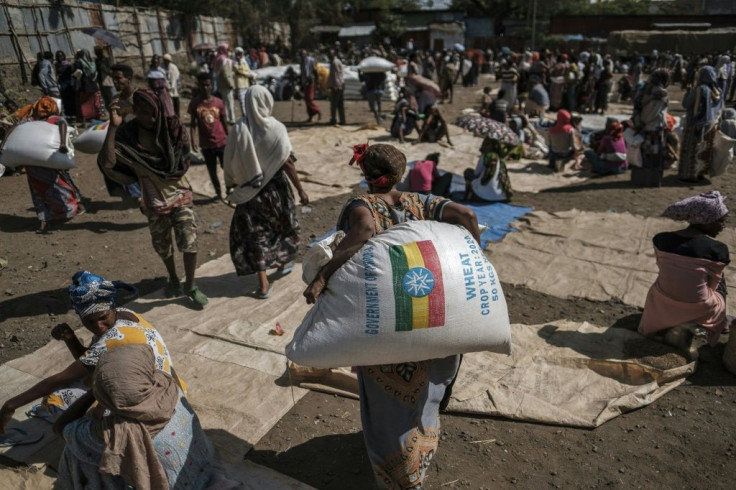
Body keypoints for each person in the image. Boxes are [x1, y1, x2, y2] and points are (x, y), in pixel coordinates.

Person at [303, 143, 480, 489]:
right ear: (400, 174)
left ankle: (399, 477)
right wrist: (477, 262)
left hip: (389, 321)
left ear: (365, 174)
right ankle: (422, 454)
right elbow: (468, 217)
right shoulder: (423, 202)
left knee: (389, 405)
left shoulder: (361, 205)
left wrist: (323, 275)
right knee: (428, 390)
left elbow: (365, 231)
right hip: (434, 312)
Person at [0, 271, 180, 432]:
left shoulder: (111, 339)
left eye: (102, 318)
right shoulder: (125, 314)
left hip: (153, 401)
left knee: (57, 403)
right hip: (171, 390)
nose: (99, 327)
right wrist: (70, 338)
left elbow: (58, 380)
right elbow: (92, 362)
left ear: (111, 307)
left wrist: (10, 405)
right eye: (89, 322)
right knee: (86, 383)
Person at [99, 89, 208, 308]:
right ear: (136, 111)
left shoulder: (172, 128)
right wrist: (113, 126)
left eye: (152, 113)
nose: (150, 118)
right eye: (143, 113)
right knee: (163, 246)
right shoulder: (127, 135)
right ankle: (173, 278)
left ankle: (191, 285)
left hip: (180, 195)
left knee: (189, 241)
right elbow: (107, 163)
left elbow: (183, 158)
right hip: (154, 201)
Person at [55, 344, 214, 489]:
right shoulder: (169, 388)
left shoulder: (112, 434)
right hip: (199, 467)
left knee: (75, 449)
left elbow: (61, 428)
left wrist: (96, 391)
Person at [224, 85, 309, 299]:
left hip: (252, 193)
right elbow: (287, 162)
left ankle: (263, 285)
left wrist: (231, 183)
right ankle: (282, 262)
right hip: (277, 191)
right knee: (283, 227)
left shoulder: (239, 128)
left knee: (256, 235)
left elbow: (229, 160)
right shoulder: (277, 128)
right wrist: (301, 190)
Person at [640, 191, 732, 349]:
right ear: (705, 220)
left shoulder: (660, 240)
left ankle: (664, 319)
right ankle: (717, 322)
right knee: (720, 282)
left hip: (663, 298)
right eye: (720, 221)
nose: (723, 226)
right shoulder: (718, 250)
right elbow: (713, 285)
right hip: (698, 306)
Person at [12, 96, 85, 233]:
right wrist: (63, 144)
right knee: (61, 185)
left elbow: (15, 127)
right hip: (47, 163)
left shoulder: (30, 121)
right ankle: (67, 210)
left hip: (33, 165)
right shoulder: (53, 120)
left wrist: (5, 146)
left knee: (38, 191)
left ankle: (45, 219)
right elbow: (63, 124)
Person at [679, 66, 724, 182]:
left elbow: (686, 104)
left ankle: (688, 174)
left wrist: (688, 92)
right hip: (710, 125)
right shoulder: (717, 91)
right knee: (704, 150)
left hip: (695, 123)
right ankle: (700, 173)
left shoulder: (700, 89)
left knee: (692, 148)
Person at [189, 73, 229, 200]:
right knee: (212, 170)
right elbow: (193, 124)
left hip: (221, 141)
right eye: (202, 85)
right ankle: (218, 193)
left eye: (207, 85)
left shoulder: (219, 102)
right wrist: (193, 140)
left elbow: (224, 121)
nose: (205, 87)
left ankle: (229, 189)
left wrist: (230, 137)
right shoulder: (195, 103)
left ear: (211, 85)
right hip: (206, 144)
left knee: (226, 167)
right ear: (198, 86)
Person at [463, 136, 514, 202]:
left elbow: (476, 173)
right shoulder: (500, 158)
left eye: (487, 144)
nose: (484, 146)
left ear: (493, 146)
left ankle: (468, 197)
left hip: (483, 196)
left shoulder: (485, 155)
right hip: (500, 196)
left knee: (468, 172)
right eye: (484, 143)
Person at [73, 49, 104, 123]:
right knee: (94, 102)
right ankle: (97, 117)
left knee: (84, 103)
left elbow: (77, 73)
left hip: (84, 85)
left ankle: (85, 120)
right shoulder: (93, 62)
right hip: (93, 84)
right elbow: (96, 73)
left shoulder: (79, 62)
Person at [213, 44, 236, 124]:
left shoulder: (217, 58)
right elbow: (226, 73)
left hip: (221, 84)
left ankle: (226, 118)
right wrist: (231, 84)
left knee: (225, 102)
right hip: (227, 84)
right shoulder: (224, 60)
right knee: (230, 102)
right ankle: (231, 118)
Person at [300, 49, 321, 123]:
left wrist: (317, 81)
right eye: (301, 54)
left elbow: (315, 71)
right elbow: (302, 73)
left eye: (304, 54)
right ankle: (310, 117)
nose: (302, 56)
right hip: (305, 82)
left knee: (309, 99)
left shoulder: (310, 61)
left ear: (306, 54)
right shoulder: (301, 62)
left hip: (310, 81)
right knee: (306, 100)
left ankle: (317, 110)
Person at [233, 47, 254, 118]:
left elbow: (247, 70)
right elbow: (239, 70)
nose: (240, 55)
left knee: (247, 99)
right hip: (240, 84)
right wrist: (247, 74)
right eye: (238, 53)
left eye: (241, 53)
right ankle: (244, 115)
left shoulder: (244, 61)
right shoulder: (235, 62)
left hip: (246, 83)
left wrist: (246, 73)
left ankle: (249, 114)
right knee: (242, 101)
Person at [327, 49, 346, 126]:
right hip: (340, 85)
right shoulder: (337, 61)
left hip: (337, 86)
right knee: (340, 104)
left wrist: (335, 86)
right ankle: (342, 120)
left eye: (330, 54)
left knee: (334, 104)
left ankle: (333, 119)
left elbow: (336, 76)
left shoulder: (334, 63)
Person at [94, 46, 115, 112]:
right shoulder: (96, 60)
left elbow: (112, 71)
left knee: (112, 98)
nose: (96, 53)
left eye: (97, 51)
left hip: (107, 82)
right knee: (106, 100)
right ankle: (110, 114)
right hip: (101, 82)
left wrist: (104, 68)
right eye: (95, 51)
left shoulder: (107, 60)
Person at [56, 51, 75, 120]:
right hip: (62, 84)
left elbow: (72, 71)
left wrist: (70, 65)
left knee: (72, 99)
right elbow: (58, 73)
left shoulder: (68, 63)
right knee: (65, 100)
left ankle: (73, 115)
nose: (60, 58)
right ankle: (68, 115)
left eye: (61, 56)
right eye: (58, 56)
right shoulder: (57, 64)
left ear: (64, 56)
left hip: (69, 83)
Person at [162, 53, 181, 118]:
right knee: (167, 101)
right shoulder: (161, 67)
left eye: (167, 60)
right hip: (165, 86)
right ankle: (170, 114)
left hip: (174, 85)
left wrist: (172, 86)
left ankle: (177, 114)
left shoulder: (173, 67)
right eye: (165, 60)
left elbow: (175, 77)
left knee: (175, 98)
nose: (166, 62)